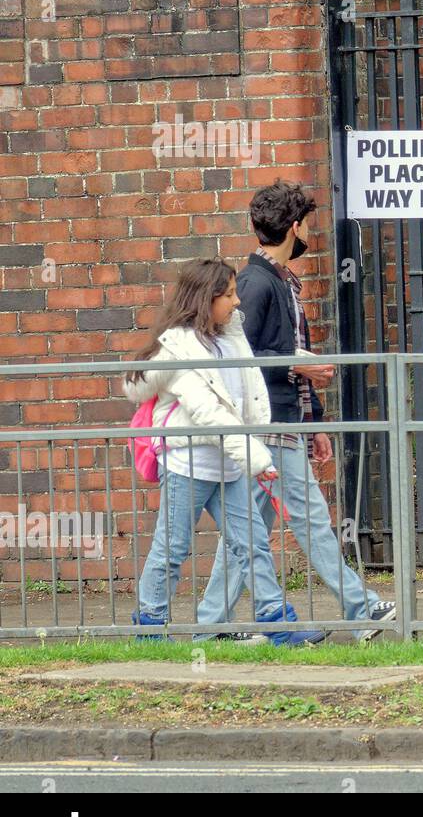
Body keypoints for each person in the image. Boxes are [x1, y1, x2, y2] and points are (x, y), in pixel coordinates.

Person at [197, 181, 395, 641]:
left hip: (282, 423)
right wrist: (302, 370)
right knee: (310, 517)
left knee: (245, 535)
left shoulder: (275, 281)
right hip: (268, 425)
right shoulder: (256, 283)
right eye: (304, 223)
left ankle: (207, 627)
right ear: (295, 226)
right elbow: (246, 357)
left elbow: (282, 351)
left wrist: (315, 421)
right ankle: (361, 609)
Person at [125, 258, 325, 646]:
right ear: (206, 299)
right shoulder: (181, 350)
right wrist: (259, 458)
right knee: (173, 547)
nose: (236, 302)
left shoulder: (230, 335)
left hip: (228, 462)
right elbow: (211, 414)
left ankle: (278, 624)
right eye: (228, 295)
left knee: (251, 544)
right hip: (190, 463)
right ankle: (150, 628)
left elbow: (246, 395)